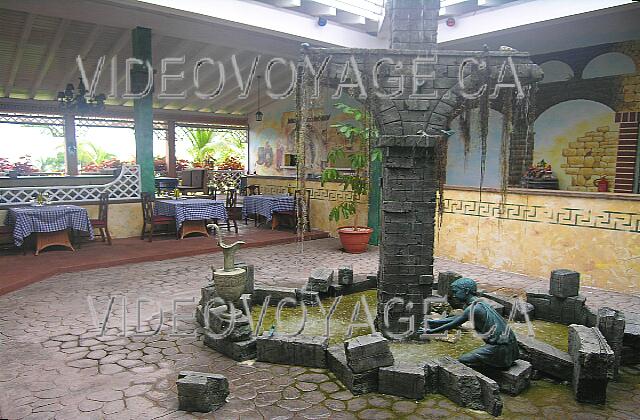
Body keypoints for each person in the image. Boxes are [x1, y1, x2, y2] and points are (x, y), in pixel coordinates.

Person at [421, 277, 519, 370]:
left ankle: (496, 367)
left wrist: (431, 332)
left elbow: (454, 324)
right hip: (510, 346)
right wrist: (434, 322)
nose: (453, 295)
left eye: (456, 291)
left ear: (466, 291)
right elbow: (458, 318)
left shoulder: (473, 308)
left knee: (463, 360)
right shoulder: (479, 302)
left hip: (500, 348)